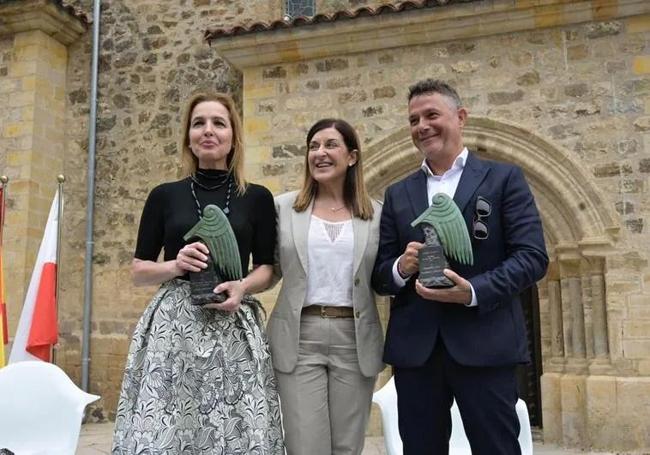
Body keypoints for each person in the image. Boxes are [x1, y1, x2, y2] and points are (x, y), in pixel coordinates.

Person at [371, 79, 548, 455]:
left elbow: (532, 257)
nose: (422, 126)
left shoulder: (504, 179)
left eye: (432, 114)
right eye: (414, 119)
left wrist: (472, 292)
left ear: (461, 117)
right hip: (417, 352)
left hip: (486, 344)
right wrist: (402, 267)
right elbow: (380, 274)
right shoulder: (398, 193)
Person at [112, 92, 284, 454]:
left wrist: (243, 286)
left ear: (233, 137)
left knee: (235, 427)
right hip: (174, 327)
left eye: (218, 123)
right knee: (171, 424)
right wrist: (176, 265)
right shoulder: (164, 195)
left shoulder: (256, 197)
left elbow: (267, 269)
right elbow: (139, 270)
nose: (208, 131)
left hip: (233, 322)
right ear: (188, 137)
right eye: (198, 123)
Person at [268, 118, 384, 455]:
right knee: (306, 447)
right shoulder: (283, 208)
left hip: (355, 336)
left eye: (330, 145)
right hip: (300, 336)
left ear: (352, 156)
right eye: (313, 146)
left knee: (348, 447)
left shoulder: (376, 213)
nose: (320, 153)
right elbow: (268, 269)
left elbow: (385, 277)